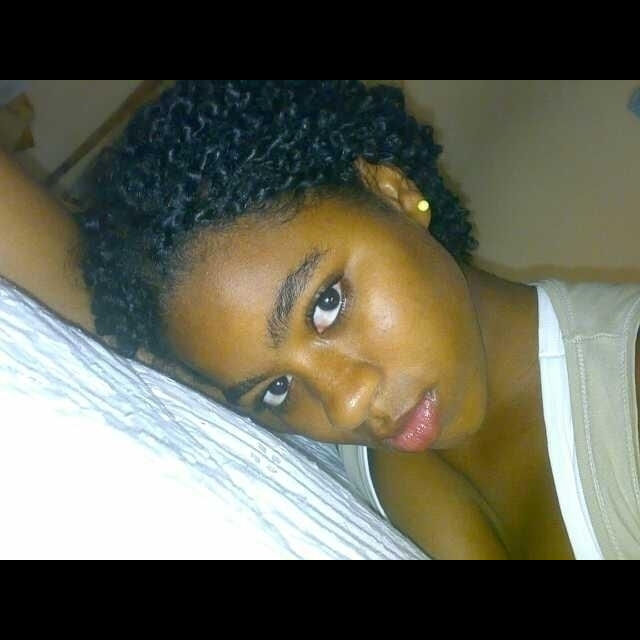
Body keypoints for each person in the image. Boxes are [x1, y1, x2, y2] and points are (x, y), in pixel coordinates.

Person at [1, 80, 639, 560]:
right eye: (276, 389)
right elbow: (70, 286)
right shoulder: (321, 437)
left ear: (391, 190)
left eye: (326, 304)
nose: (345, 404)